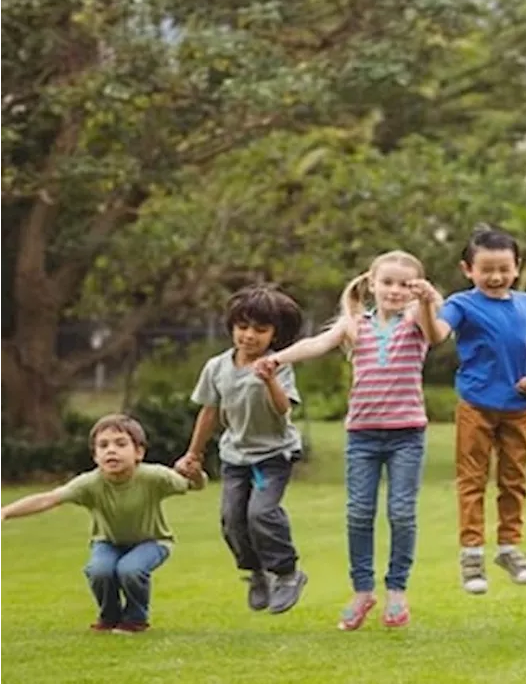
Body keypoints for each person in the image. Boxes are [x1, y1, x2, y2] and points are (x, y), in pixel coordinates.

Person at [260, 250, 435, 630]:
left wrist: (428, 300)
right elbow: (315, 345)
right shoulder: (356, 324)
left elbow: (437, 332)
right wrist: (278, 360)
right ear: (372, 284)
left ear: (414, 289)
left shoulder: (417, 321)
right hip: (362, 436)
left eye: (404, 284)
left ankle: (397, 590)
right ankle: (362, 591)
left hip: (407, 435)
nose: (394, 290)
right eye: (387, 282)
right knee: (359, 513)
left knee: (402, 513)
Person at [419, 226, 526, 594]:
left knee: (514, 479)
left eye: (504, 269)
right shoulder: (461, 304)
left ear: (516, 266)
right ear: (467, 269)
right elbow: (435, 336)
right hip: (477, 404)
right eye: (486, 269)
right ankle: (472, 555)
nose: (495, 277)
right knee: (472, 480)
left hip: (519, 406)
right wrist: (426, 304)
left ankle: (509, 547)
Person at [0, 414, 206, 634]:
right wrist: (5, 512)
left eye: (120, 443)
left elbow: (195, 485)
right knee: (99, 571)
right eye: (103, 445)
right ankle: (109, 617)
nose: (111, 450)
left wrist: (196, 474)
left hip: (152, 541)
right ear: (95, 456)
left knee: (130, 569)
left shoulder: (154, 477)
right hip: (108, 542)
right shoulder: (89, 483)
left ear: (139, 452)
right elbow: (48, 498)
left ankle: (136, 619)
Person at [176, 283, 307, 615]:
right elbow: (208, 412)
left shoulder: (278, 364)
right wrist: (193, 454)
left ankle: (287, 572)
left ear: (275, 335)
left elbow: (282, 409)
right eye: (242, 327)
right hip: (235, 457)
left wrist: (269, 379)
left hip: (273, 455)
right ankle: (255, 573)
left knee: (260, 513)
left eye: (260, 330)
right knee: (233, 519)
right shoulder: (216, 368)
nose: (249, 336)